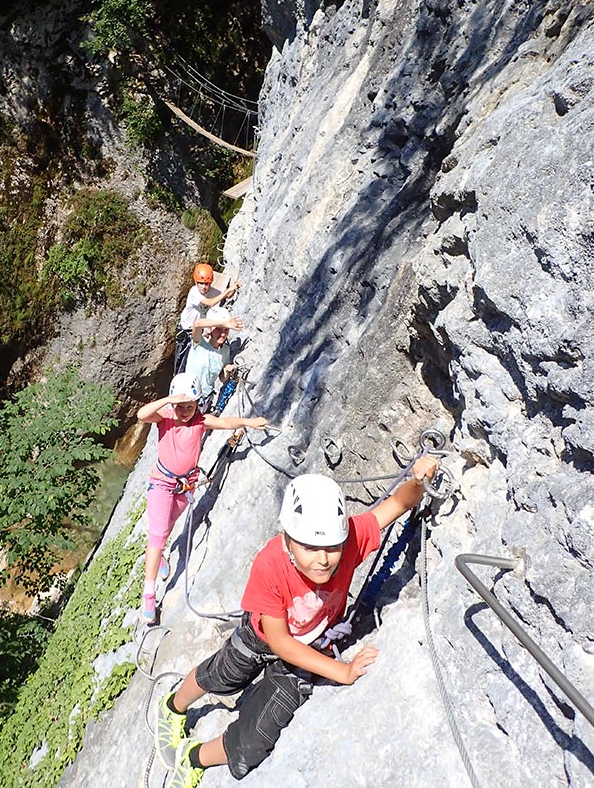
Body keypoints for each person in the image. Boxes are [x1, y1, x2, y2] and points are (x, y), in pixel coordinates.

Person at [156, 457, 439, 786]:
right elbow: (279, 642)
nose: (322, 559)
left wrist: (420, 480)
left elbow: (399, 502)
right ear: (288, 540)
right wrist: (340, 671)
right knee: (223, 674)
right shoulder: (270, 564)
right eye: (309, 547)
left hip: (309, 642)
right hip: (263, 636)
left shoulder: (350, 540)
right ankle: (173, 707)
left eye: (331, 547)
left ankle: (193, 757)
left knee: (254, 740)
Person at [137, 372, 269, 626]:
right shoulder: (165, 419)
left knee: (169, 525)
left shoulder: (200, 421)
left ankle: (160, 554)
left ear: (197, 403)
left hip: (185, 485)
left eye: (189, 406)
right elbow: (142, 415)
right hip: (162, 484)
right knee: (158, 533)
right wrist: (169, 400)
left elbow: (226, 422)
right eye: (181, 407)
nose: (185, 411)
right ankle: (149, 593)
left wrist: (250, 422)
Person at [174, 263, 241, 375]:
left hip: (199, 329)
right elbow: (210, 302)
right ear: (196, 282)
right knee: (182, 359)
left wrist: (234, 288)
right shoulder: (194, 292)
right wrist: (226, 291)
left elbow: (227, 296)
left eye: (207, 284)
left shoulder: (212, 291)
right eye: (201, 283)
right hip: (186, 329)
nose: (204, 287)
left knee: (194, 358)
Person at [185, 306, 243, 413]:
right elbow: (197, 324)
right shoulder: (199, 343)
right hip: (187, 397)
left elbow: (222, 378)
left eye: (226, 330)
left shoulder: (225, 350)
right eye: (219, 330)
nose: (223, 334)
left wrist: (227, 370)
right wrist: (224, 323)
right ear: (210, 329)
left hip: (205, 400)